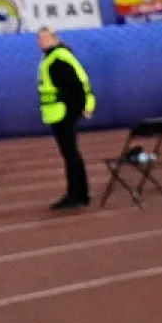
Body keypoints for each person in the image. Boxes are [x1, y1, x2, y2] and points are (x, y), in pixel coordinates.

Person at [36, 26, 96, 209]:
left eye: (44, 38)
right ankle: (80, 193)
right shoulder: (57, 56)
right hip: (62, 113)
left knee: (70, 154)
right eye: (39, 39)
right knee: (72, 154)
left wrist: (74, 111)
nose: (40, 42)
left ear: (54, 39)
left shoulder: (56, 60)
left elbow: (74, 87)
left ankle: (76, 195)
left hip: (63, 114)